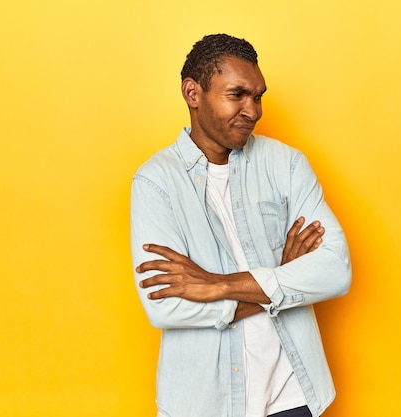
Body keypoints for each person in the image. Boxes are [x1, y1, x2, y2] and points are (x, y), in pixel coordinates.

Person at [130, 34, 351, 417]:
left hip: (293, 395)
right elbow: (166, 308)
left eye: (258, 96)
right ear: (192, 93)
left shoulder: (287, 164)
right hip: (202, 404)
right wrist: (284, 278)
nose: (253, 110)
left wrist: (216, 284)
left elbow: (335, 271)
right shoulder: (156, 183)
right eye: (237, 95)